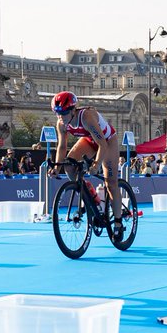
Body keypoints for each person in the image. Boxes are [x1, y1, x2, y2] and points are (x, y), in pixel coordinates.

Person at [50, 91, 125, 242]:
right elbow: (62, 147)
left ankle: (118, 223)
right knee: (69, 166)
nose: (60, 117)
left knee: (111, 183)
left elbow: (102, 144)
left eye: (63, 113)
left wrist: (96, 164)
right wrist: (56, 168)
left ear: (73, 110)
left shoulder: (86, 117)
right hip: (89, 141)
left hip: (107, 141)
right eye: (57, 113)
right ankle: (88, 192)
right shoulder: (61, 124)